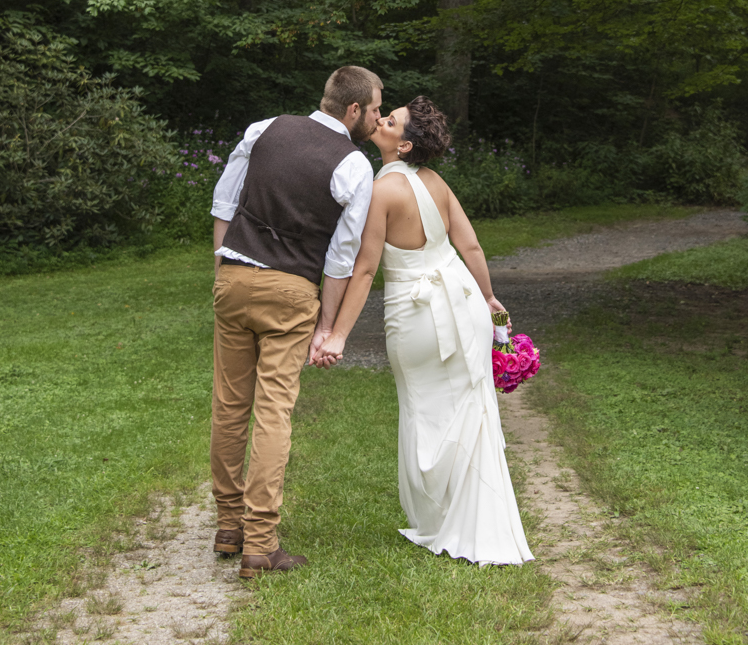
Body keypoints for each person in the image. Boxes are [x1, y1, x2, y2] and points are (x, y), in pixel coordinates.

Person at [314, 96, 534, 567]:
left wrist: (337, 334)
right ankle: (473, 518)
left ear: (405, 143)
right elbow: (469, 244)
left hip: (417, 314)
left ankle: (438, 520)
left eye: (390, 120)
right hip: (464, 302)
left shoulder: (382, 190)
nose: (380, 119)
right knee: (469, 410)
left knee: (423, 409)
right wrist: (490, 299)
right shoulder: (436, 182)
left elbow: (367, 268)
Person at [210, 66, 382, 578]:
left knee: (228, 406)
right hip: (292, 292)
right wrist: (325, 323)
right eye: (375, 108)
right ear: (352, 110)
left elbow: (224, 201)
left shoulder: (264, 129)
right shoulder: (353, 166)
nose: (376, 116)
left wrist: (222, 266)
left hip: (234, 279)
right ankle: (260, 543)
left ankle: (227, 524)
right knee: (273, 413)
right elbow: (340, 259)